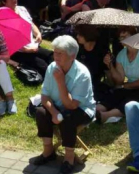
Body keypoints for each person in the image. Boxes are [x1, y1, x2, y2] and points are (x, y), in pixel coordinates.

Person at [33, 35, 96, 174]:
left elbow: (72, 105)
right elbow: (44, 96)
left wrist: (61, 81)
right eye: (55, 52)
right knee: (41, 112)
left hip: (82, 109)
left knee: (67, 117)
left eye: (60, 53)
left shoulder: (82, 74)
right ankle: (48, 152)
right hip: (59, 107)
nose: (55, 56)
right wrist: (54, 112)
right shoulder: (52, 68)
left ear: (72, 56)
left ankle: (69, 158)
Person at [96, 27, 139, 124]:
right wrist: (110, 66)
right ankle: (97, 109)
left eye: (124, 36)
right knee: (117, 92)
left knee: (132, 98)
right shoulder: (121, 54)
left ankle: (106, 116)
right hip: (133, 86)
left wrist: (124, 86)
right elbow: (119, 80)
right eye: (120, 37)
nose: (121, 39)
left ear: (134, 36)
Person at [0, 0, 52, 78]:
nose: (14, 0)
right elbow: (9, 41)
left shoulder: (22, 9)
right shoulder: (3, 17)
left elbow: (31, 24)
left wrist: (38, 34)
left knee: (52, 56)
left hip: (32, 45)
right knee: (44, 66)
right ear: (4, 1)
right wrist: (27, 50)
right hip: (18, 51)